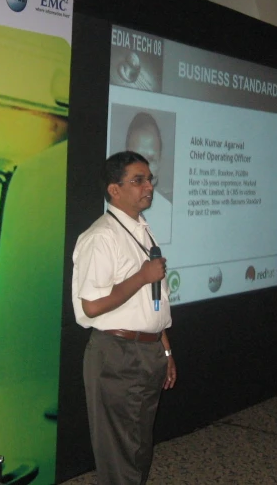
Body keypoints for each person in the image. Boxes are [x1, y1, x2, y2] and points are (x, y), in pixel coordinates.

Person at [72, 151, 177, 485]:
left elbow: (152, 304)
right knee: (121, 452)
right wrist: (142, 277)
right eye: (138, 180)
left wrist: (165, 350)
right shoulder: (101, 237)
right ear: (114, 190)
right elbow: (91, 306)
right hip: (117, 353)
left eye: (149, 179)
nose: (148, 186)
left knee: (138, 446)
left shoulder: (141, 229)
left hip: (146, 352)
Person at [124, 112, 173, 243]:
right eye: (137, 158)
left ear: (160, 161)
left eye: (151, 159)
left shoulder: (170, 214)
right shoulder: (107, 210)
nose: (144, 168)